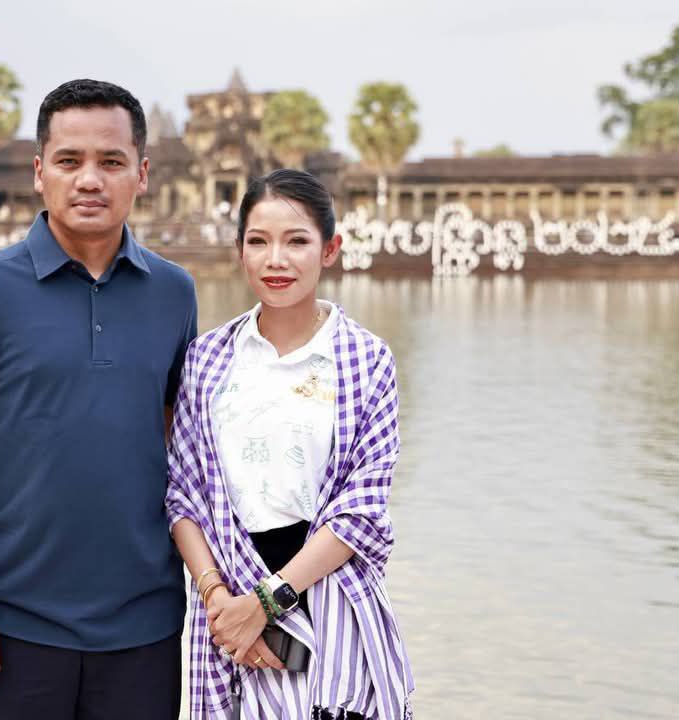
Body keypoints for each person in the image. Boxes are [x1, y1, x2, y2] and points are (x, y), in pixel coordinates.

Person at [0, 78, 198, 720]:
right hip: (12, 626)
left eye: (111, 161)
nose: (90, 180)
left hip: (146, 624)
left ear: (142, 174)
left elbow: (175, 448)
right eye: (69, 161)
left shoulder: (175, 293)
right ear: (40, 172)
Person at [166, 169, 414, 719]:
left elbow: (361, 509)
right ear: (240, 251)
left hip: (327, 599)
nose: (276, 260)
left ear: (330, 250)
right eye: (259, 242)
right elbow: (183, 494)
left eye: (296, 241)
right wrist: (220, 602)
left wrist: (267, 601)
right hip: (227, 609)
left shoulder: (366, 360)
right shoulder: (207, 359)